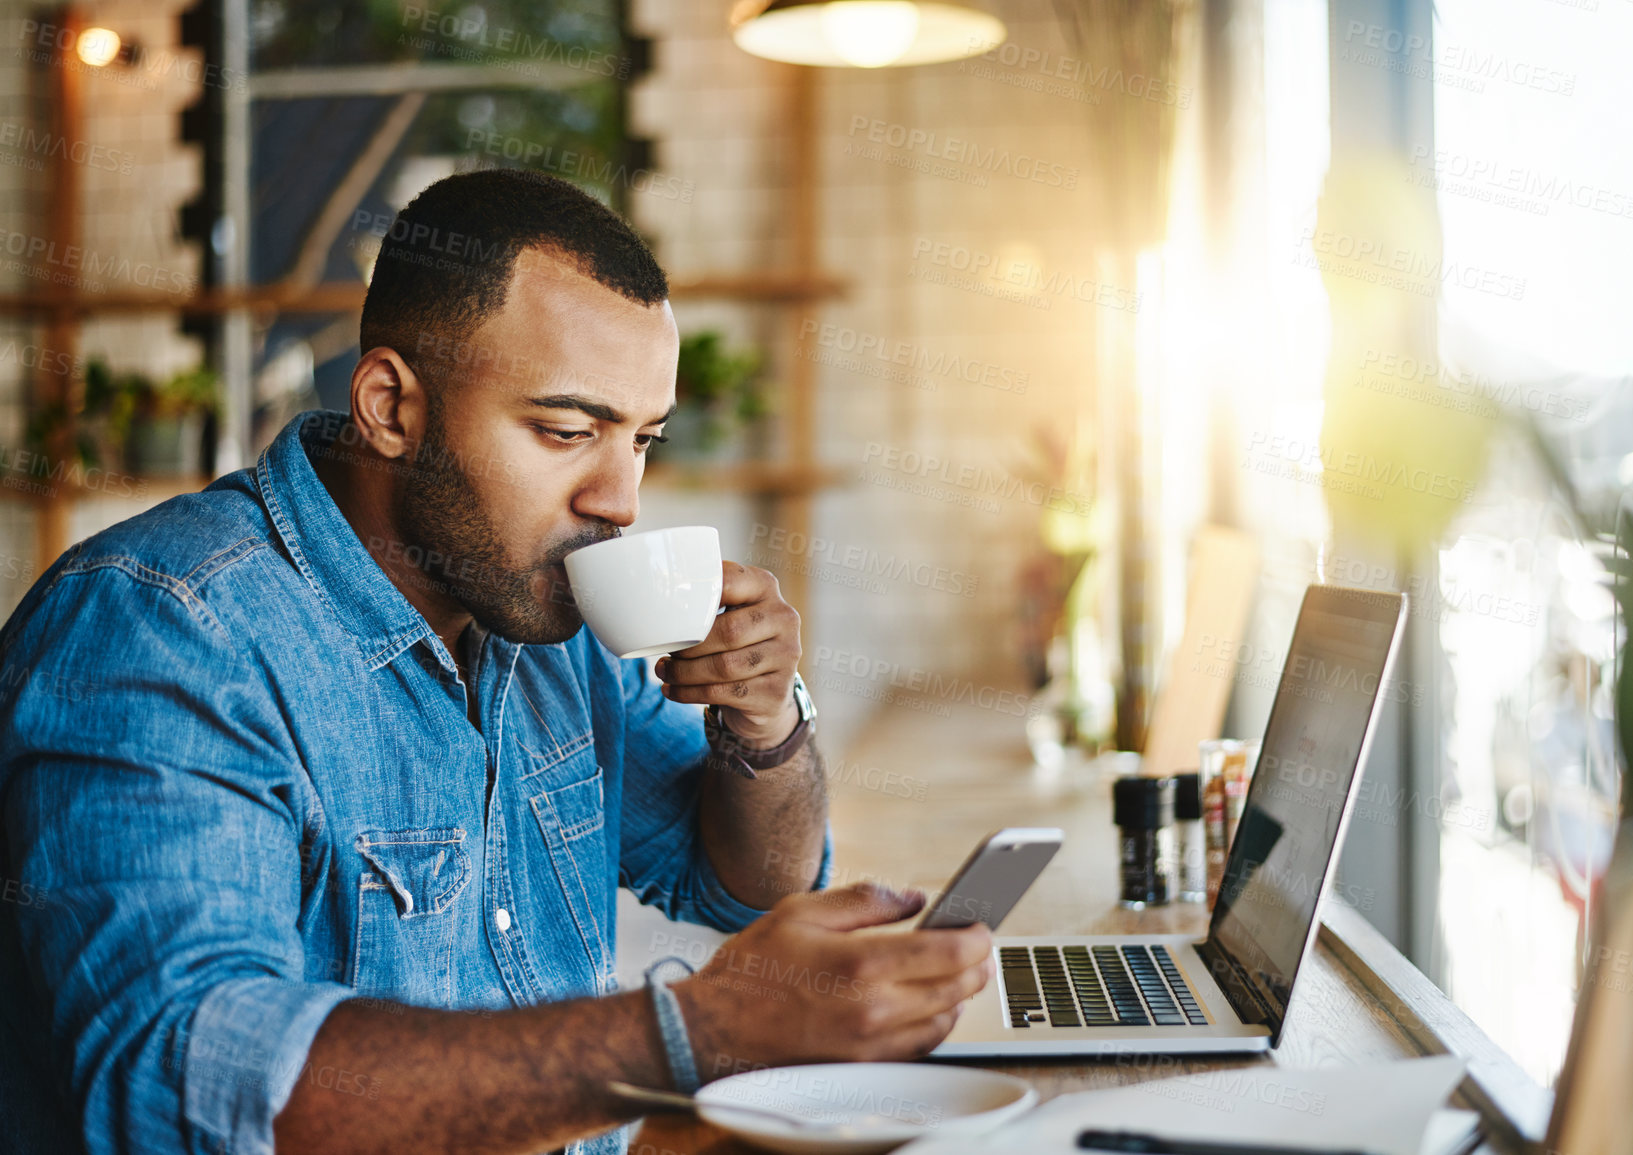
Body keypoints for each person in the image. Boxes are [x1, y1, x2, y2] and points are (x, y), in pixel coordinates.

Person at [0, 168, 992, 1155]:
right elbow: (180, 1077)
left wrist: (767, 718)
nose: (619, 499)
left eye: (641, 440)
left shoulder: (534, 619)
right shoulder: (165, 630)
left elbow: (741, 885)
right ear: (391, 406)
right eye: (567, 431)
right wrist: (699, 1033)